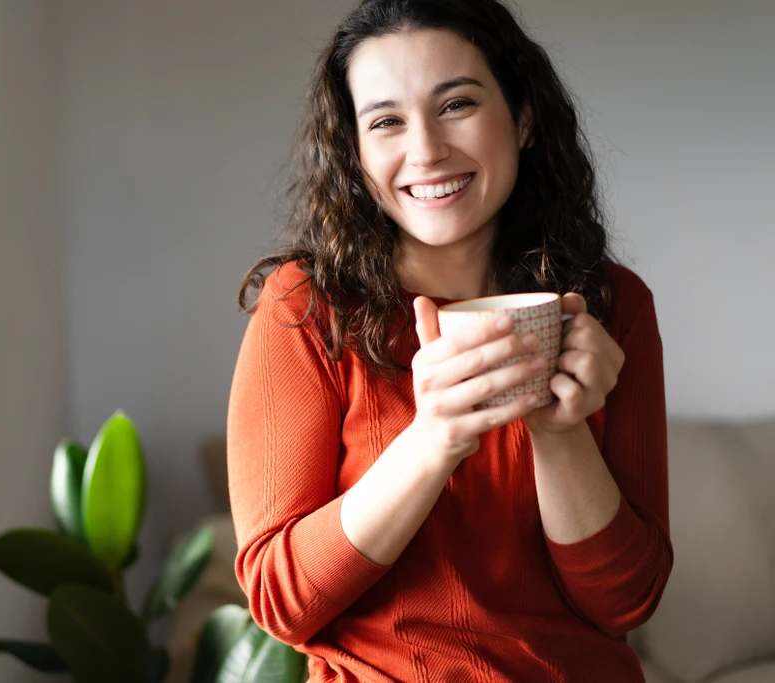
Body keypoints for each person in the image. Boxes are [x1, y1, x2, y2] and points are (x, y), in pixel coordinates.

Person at [226, 0, 673, 681]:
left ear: (522, 118)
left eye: (457, 104)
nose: (427, 150)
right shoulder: (307, 308)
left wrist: (560, 432)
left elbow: (626, 602)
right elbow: (282, 603)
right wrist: (433, 440)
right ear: (356, 151)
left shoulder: (613, 305)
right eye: (385, 122)